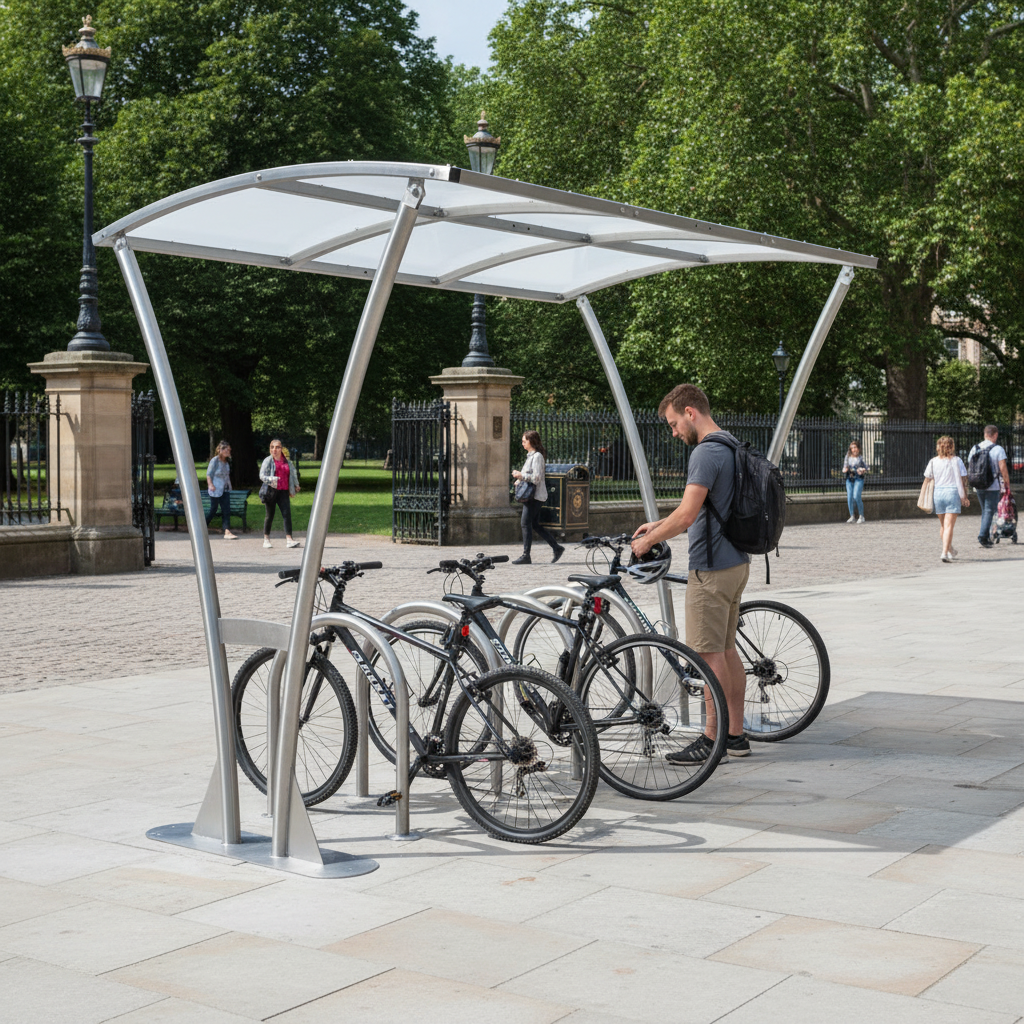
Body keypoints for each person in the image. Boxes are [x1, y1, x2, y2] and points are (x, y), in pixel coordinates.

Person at [631, 384, 751, 761]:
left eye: (673, 423)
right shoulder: (730, 444)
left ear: (690, 412)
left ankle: (712, 738)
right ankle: (735, 736)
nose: (674, 431)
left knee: (708, 655)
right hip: (737, 561)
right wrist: (656, 525)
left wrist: (645, 544)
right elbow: (697, 508)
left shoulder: (704, 453)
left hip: (711, 568)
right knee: (727, 651)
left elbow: (686, 517)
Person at [511, 430, 564, 565]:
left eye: (524, 441)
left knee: (525, 523)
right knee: (534, 524)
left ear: (531, 441)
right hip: (531, 496)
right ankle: (557, 547)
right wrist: (519, 480)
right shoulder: (531, 456)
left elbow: (536, 478)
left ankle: (526, 555)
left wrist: (520, 476)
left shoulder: (537, 457)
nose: (522, 443)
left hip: (535, 496)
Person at [924, 436, 969, 563]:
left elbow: (927, 478)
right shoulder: (957, 460)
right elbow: (964, 478)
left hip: (938, 493)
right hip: (952, 492)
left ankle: (950, 550)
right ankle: (944, 552)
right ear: (952, 447)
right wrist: (964, 495)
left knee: (943, 525)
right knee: (949, 526)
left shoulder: (933, 461)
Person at [968, 425, 1011, 548]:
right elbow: (1003, 468)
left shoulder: (974, 448)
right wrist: (1007, 484)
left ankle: (986, 536)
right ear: (995, 435)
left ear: (985, 434)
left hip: (979, 485)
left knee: (985, 511)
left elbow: (970, 465)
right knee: (989, 511)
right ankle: (982, 536)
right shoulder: (998, 449)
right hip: (993, 485)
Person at [260, 439, 300, 549]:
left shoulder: (287, 462)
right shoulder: (268, 461)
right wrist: (272, 479)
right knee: (270, 515)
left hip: (283, 491)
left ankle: (289, 539)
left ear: (281, 448)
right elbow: (262, 476)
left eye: (277, 447)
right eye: (272, 447)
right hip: (271, 491)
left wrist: (296, 485)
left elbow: (293, 474)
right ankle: (266, 539)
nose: (275, 449)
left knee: (287, 514)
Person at [204, 441, 237, 540]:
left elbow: (226, 476)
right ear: (221, 450)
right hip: (215, 489)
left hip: (225, 489)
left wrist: (229, 486)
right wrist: (210, 485)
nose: (229, 451)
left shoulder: (227, 462)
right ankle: (203, 527)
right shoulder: (215, 461)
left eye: (229, 450)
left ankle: (227, 531)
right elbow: (209, 474)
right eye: (227, 449)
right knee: (213, 510)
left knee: (226, 510)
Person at [842, 441, 868, 524]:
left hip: (859, 478)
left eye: (855, 447)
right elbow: (845, 466)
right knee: (850, 497)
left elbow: (867, 467)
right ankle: (852, 516)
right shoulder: (848, 457)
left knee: (856, 495)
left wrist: (863, 470)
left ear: (858, 448)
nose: (853, 449)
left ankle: (861, 516)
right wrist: (844, 469)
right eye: (852, 448)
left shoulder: (861, 458)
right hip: (849, 479)